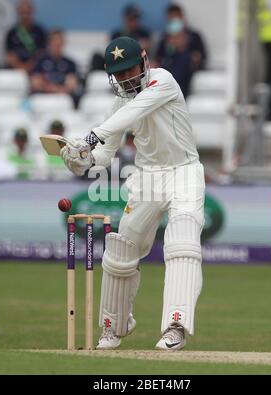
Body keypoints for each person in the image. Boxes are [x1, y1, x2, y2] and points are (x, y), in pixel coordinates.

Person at [60, 36, 205, 351]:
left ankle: (175, 326)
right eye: (120, 74)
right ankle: (114, 325)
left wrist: (91, 135)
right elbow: (104, 156)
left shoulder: (163, 81)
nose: (127, 78)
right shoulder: (119, 102)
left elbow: (126, 116)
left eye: (131, 69)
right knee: (121, 250)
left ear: (144, 61)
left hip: (184, 171)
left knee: (182, 244)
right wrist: (82, 160)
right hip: (147, 178)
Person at [155, 3, 206, 92]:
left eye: (176, 16)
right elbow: (157, 59)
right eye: (171, 17)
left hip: (185, 82)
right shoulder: (164, 38)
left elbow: (201, 57)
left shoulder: (194, 36)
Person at [90, 4, 151, 72]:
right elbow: (112, 52)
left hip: (134, 63)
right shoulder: (116, 34)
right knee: (96, 57)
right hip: (118, 62)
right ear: (125, 18)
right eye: (131, 19)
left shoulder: (144, 33)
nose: (134, 21)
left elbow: (145, 51)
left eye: (136, 18)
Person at [31, 30, 80, 106]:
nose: (57, 44)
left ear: (63, 43)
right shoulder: (40, 61)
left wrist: (55, 89)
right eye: (54, 41)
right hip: (43, 98)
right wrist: (51, 88)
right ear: (49, 43)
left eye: (59, 42)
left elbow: (71, 86)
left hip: (63, 99)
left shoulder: (70, 63)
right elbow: (35, 83)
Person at [5, 0, 47, 73]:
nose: (25, 16)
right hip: (15, 68)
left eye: (27, 13)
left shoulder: (40, 32)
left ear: (32, 12)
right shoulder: (11, 32)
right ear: (18, 13)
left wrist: (28, 67)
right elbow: (9, 55)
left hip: (35, 70)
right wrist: (20, 67)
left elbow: (41, 54)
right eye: (22, 13)